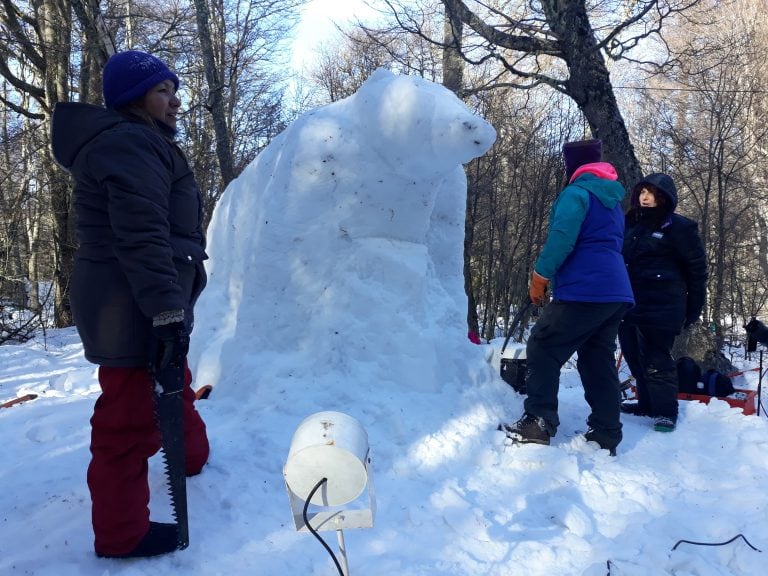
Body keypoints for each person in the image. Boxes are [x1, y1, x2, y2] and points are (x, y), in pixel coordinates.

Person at [51, 50, 210, 558]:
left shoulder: (141, 143)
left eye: (174, 90)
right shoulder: (129, 143)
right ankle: (122, 533)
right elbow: (142, 236)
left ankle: (190, 456)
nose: (175, 102)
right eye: (163, 91)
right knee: (128, 414)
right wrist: (164, 310)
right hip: (128, 302)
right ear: (134, 98)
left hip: (144, 293)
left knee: (171, 379)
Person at [502, 139, 634, 455]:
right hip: (615, 291)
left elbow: (562, 240)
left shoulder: (576, 194)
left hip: (585, 289)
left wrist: (539, 278)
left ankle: (538, 422)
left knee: (544, 345)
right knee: (596, 356)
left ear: (572, 167)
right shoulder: (612, 201)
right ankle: (606, 432)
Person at [618, 173, 708, 432]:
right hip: (630, 303)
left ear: (665, 198)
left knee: (657, 360)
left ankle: (666, 412)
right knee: (634, 356)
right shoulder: (630, 224)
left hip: (663, 306)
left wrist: (693, 309)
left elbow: (697, 272)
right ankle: (646, 403)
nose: (646, 198)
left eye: (653, 194)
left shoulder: (679, 228)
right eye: (643, 192)